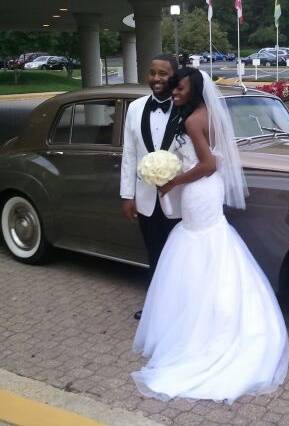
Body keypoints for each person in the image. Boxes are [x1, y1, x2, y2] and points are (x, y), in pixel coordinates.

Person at [131, 68, 289, 404]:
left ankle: (202, 328)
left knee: (199, 242)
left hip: (199, 189)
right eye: (173, 88)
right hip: (206, 192)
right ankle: (211, 316)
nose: (174, 92)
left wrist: (173, 180)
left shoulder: (191, 121)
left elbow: (208, 164)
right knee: (211, 243)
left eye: (180, 88)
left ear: (196, 89)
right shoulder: (208, 115)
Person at [120, 54, 181, 320]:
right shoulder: (134, 108)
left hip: (180, 198)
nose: (156, 79)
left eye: (163, 74)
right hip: (145, 197)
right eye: (152, 72)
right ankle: (156, 308)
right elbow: (129, 154)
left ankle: (181, 309)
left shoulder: (186, 108)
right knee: (154, 254)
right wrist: (127, 195)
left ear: (174, 77)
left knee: (179, 257)